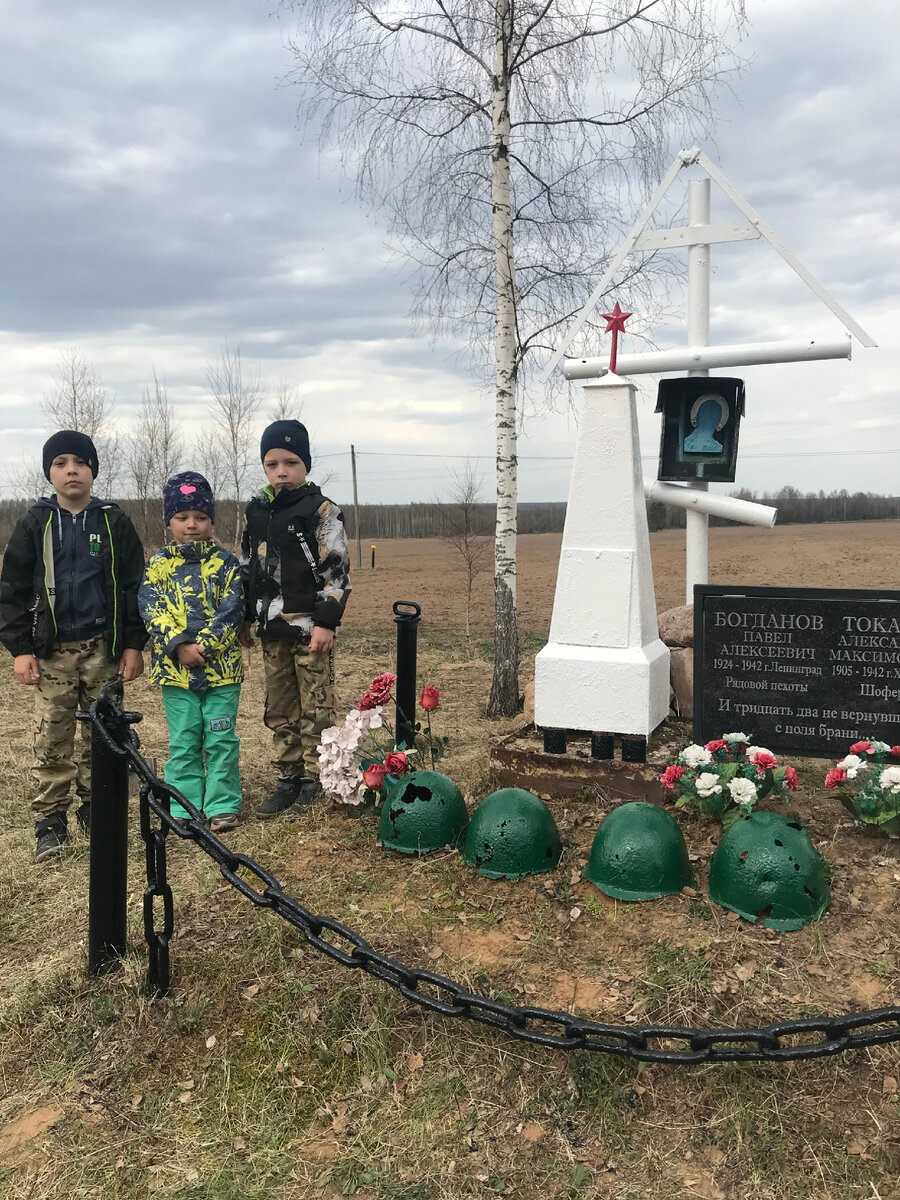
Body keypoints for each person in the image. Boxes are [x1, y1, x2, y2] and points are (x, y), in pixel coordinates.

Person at [0, 431, 146, 862]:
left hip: (104, 648)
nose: (71, 470)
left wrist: (133, 645)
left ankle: (96, 806)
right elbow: (10, 590)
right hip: (51, 651)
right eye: (61, 462)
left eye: (79, 463)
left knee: (101, 731)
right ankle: (50, 818)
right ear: (50, 472)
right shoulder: (34, 523)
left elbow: (135, 586)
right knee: (54, 735)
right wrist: (20, 649)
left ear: (92, 470)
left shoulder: (113, 522)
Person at [240, 420, 351, 817]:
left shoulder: (320, 510)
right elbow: (248, 566)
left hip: (308, 628)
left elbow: (336, 570)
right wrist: (244, 617)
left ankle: (318, 779)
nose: (281, 471)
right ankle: (288, 777)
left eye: (290, 462)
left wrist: (326, 621)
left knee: (316, 706)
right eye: (272, 464)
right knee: (280, 705)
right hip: (271, 630)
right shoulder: (255, 511)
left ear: (305, 463)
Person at [138, 472, 244, 833]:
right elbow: (151, 609)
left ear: (211, 520)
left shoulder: (227, 564)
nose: (192, 525)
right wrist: (179, 646)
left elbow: (233, 611)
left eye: (200, 517)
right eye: (182, 518)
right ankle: (183, 805)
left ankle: (222, 805)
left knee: (220, 738)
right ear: (169, 521)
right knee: (183, 740)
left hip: (222, 674)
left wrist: (206, 646)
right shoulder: (156, 567)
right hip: (175, 675)